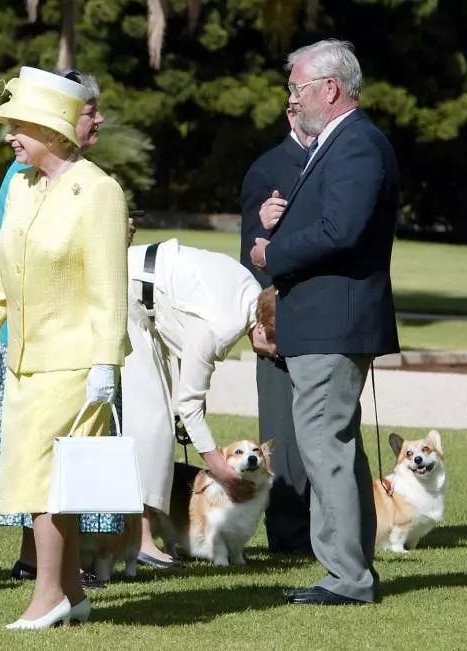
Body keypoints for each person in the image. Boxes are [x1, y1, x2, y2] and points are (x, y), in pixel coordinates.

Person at [0, 67, 128, 629]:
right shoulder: (26, 186)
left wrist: (106, 360)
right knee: (45, 479)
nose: (10, 136)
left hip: (76, 362)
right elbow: (5, 272)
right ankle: (73, 592)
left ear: (54, 130)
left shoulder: (98, 191)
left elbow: (109, 285)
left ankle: (49, 595)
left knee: (46, 483)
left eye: (20, 125)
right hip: (27, 362)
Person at [250, 39, 400, 606]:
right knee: (336, 446)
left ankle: (347, 577)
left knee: (324, 447)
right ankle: (350, 569)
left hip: (332, 321)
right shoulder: (337, 143)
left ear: (330, 89)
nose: (294, 99)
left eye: (298, 89)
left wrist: (273, 254)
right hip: (323, 319)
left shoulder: (357, 144)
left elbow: (343, 231)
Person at [124, 240, 273, 567]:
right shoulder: (221, 327)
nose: (276, 354)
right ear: (260, 326)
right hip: (129, 291)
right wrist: (222, 472)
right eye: (276, 345)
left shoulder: (252, 293)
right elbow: (189, 404)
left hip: (145, 288)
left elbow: (184, 330)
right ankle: (141, 539)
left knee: (157, 420)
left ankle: (141, 535)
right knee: (153, 424)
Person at [239, 105, 315, 556]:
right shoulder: (267, 168)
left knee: (324, 430)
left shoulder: (337, 159)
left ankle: (332, 531)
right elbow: (249, 252)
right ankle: (288, 539)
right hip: (278, 321)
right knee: (282, 434)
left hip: (326, 320)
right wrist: (257, 323)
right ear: (292, 112)